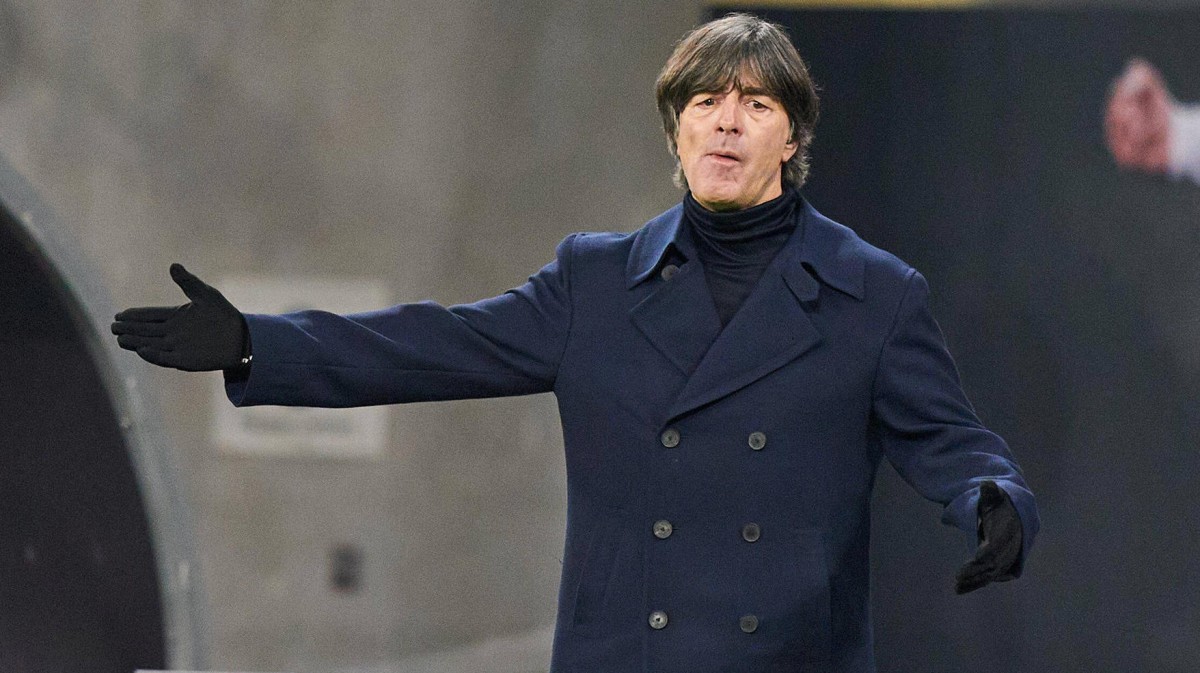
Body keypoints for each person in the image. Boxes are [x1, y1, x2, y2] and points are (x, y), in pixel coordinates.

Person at [112, 13, 1038, 672]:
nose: (726, 120)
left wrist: (993, 500)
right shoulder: (596, 282)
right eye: (705, 100)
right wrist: (255, 342)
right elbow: (433, 345)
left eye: (755, 104)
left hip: (791, 654)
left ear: (792, 136)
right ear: (675, 131)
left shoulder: (872, 292)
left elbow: (950, 440)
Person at [1105, 57, 1200, 186]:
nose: (1132, 125)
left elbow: (1141, 72)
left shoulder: (1167, 112)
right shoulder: (1130, 153)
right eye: (1123, 127)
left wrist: (1131, 87)